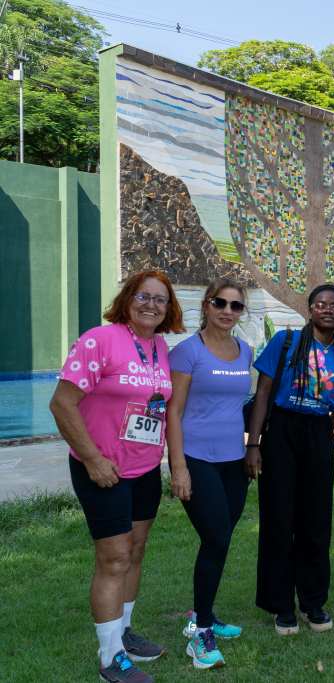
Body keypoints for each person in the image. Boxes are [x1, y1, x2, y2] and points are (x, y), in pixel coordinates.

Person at [50, 270, 184, 683]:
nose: (151, 305)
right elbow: (62, 404)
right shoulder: (99, 340)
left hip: (142, 467)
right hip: (102, 468)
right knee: (114, 558)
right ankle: (110, 657)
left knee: (136, 549)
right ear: (127, 299)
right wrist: (92, 458)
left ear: (169, 309)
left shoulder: (160, 346)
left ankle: (123, 633)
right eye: (143, 296)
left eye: (160, 300)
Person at [244, 284, 334, 635]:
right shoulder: (286, 341)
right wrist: (254, 443)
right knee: (279, 520)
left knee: (316, 522)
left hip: (318, 435)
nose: (327, 309)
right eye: (320, 304)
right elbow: (263, 392)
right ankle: (281, 606)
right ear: (309, 310)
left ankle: (312, 602)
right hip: (281, 433)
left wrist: (325, 427)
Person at [166, 278, 252, 669]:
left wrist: (255, 448)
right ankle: (200, 633)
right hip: (196, 458)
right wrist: (178, 466)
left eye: (236, 306)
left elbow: (239, 407)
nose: (227, 311)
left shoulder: (245, 350)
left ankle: (206, 613)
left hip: (233, 461)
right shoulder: (188, 352)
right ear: (206, 305)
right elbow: (174, 412)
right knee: (216, 535)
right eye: (220, 303)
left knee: (219, 539)